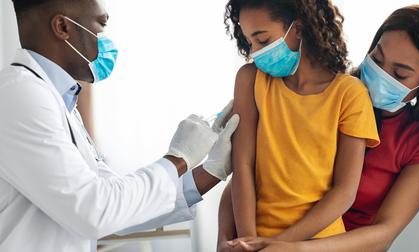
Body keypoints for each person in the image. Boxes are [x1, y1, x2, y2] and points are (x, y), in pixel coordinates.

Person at [219, 5, 419, 252]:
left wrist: (290, 247)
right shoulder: (331, 92)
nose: (380, 73)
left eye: (399, 74)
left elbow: (383, 234)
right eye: (377, 58)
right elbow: (251, 173)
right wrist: (231, 240)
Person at [0, 0, 239, 251]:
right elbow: (94, 211)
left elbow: (117, 208)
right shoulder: (20, 94)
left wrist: (211, 171)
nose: (106, 41)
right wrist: (178, 159)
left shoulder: (56, 100)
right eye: (100, 26)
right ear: (62, 27)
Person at [224, 0, 379, 247]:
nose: (255, 52)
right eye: (249, 42)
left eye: (262, 40)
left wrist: (280, 245)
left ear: (297, 29)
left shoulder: (350, 94)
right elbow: (242, 166)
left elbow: (344, 192)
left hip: (318, 243)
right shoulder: (250, 79)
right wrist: (249, 241)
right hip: (256, 238)